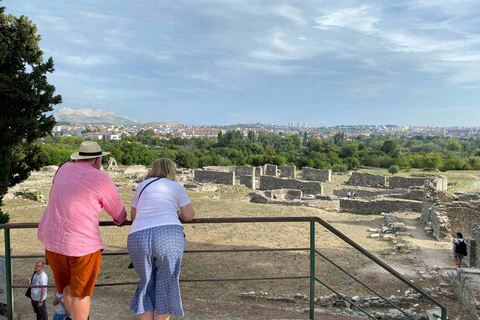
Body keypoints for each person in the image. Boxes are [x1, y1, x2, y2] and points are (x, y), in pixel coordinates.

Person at [38, 141, 127, 320]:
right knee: (82, 294)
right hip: (82, 246)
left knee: (67, 289)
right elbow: (119, 214)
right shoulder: (100, 178)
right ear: (97, 160)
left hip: (53, 241)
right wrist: (120, 220)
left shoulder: (63, 169)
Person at [128, 158, 195, 320]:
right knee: (166, 283)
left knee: (146, 283)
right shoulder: (176, 186)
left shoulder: (142, 186)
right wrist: (174, 214)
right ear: (172, 171)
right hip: (168, 235)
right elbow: (189, 215)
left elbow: (133, 216)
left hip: (138, 236)